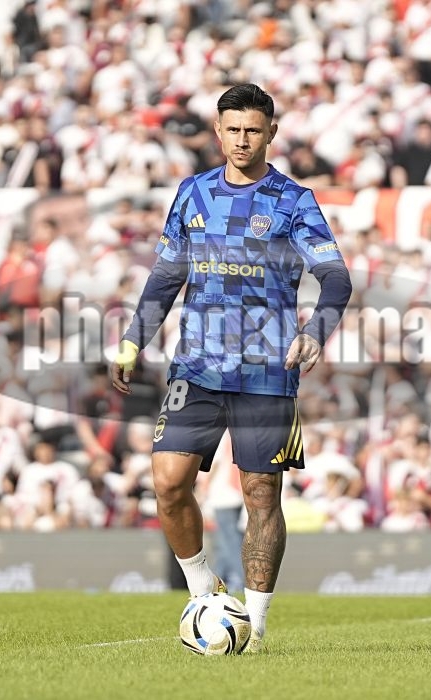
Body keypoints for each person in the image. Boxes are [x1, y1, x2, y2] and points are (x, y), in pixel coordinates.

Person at [111, 83, 352, 652]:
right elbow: (165, 276)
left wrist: (315, 331)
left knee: (261, 493)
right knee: (168, 483)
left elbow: (336, 278)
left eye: (253, 130)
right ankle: (204, 594)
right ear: (218, 132)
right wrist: (132, 341)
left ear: (272, 132)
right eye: (233, 130)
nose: (243, 140)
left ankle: (255, 626)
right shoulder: (192, 193)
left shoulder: (293, 201)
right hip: (196, 366)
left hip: (267, 372)